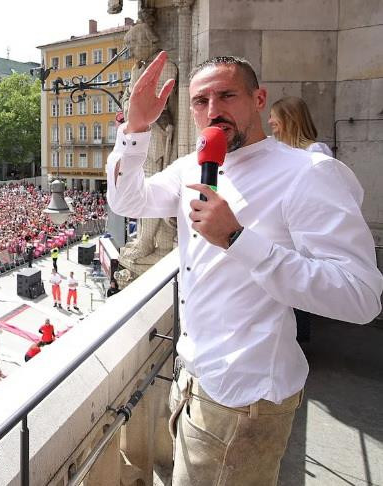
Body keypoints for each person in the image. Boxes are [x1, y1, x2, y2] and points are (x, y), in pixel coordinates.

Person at [108, 52, 383, 485]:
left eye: (227, 95)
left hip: (247, 396)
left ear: (259, 99)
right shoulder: (190, 167)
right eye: (201, 101)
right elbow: (129, 201)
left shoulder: (307, 173)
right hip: (194, 378)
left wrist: (238, 239)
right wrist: (136, 128)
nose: (213, 110)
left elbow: (360, 296)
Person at [268, 95, 333, 343]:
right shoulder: (282, 152)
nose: (271, 121)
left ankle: (296, 344)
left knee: (296, 289)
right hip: (285, 230)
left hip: (302, 231)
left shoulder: (316, 152)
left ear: (289, 119)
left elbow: (322, 198)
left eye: (275, 116)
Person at [269, 96, 333, 156]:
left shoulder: (314, 150)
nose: (269, 121)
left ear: (289, 118)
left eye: (273, 116)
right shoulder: (276, 149)